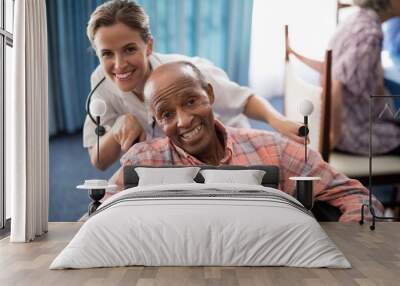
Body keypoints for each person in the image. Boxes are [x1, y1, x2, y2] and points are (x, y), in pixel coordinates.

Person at [109, 61, 383, 222]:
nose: (183, 120)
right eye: (167, 114)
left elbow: (357, 198)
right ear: (157, 121)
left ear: (210, 95)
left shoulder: (273, 150)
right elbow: (97, 216)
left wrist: (346, 254)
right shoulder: (143, 162)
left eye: (191, 101)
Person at [84, 0, 303, 171]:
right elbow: (99, 161)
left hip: (231, 150)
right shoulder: (101, 84)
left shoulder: (185, 71)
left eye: (129, 49)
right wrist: (117, 128)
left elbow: (244, 99)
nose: (119, 64)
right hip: (180, 161)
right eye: (107, 54)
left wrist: (278, 121)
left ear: (148, 46)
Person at [329, 0, 400, 155]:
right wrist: (333, 137)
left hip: (348, 123)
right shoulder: (370, 35)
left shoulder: (355, 19)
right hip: (354, 133)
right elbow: (336, 86)